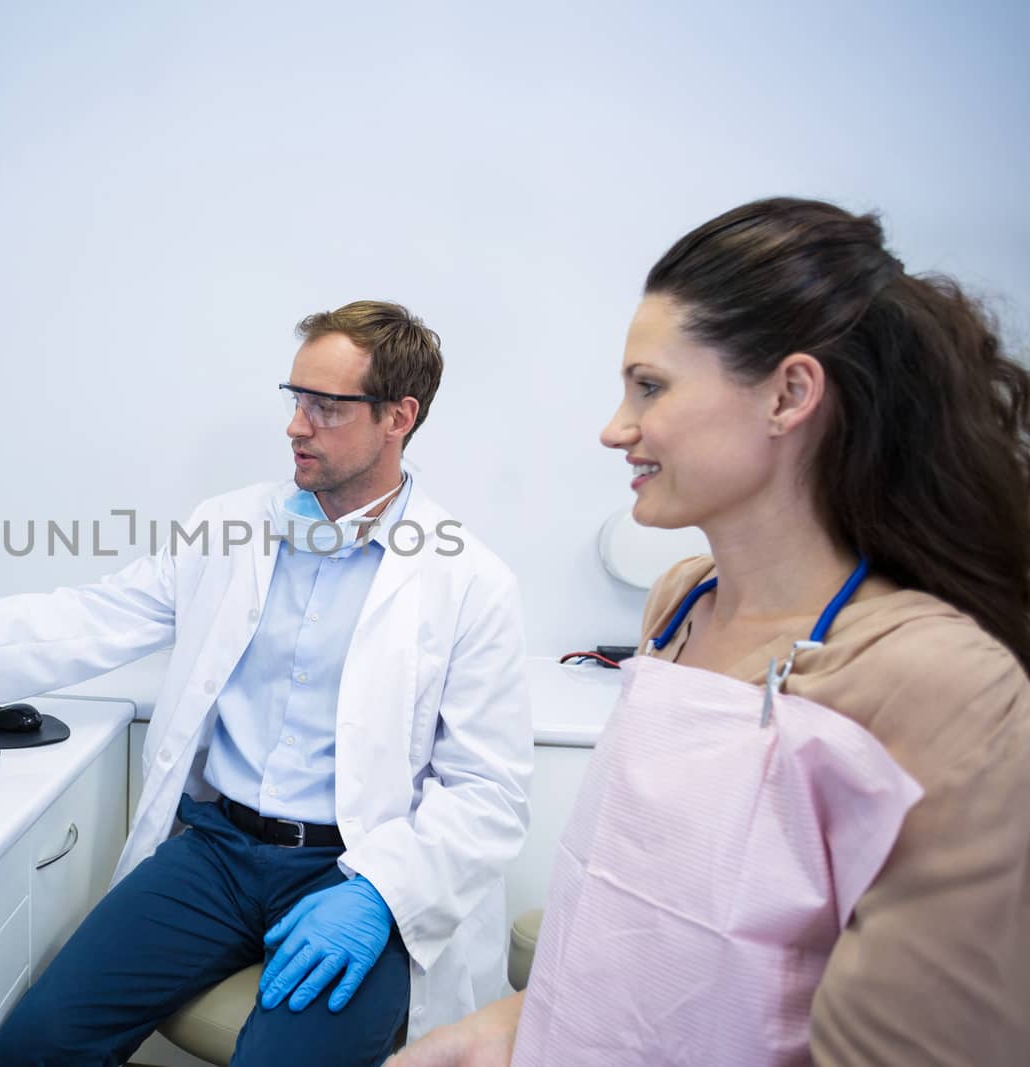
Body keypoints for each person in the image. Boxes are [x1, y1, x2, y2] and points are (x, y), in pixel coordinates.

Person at [390, 198, 1030, 1066]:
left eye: (649, 385)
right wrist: (506, 1028)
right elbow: (630, 948)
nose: (616, 427)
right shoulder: (684, 603)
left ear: (789, 394)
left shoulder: (935, 678)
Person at [0, 300, 533, 1066]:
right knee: (36, 1045)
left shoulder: (469, 580)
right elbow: (103, 613)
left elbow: (487, 792)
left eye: (326, 407)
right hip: (218, 853)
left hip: (357, 871)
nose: (297, 426)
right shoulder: (229, 528)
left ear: (399, 416)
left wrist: (376, 893)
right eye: (295, 399)